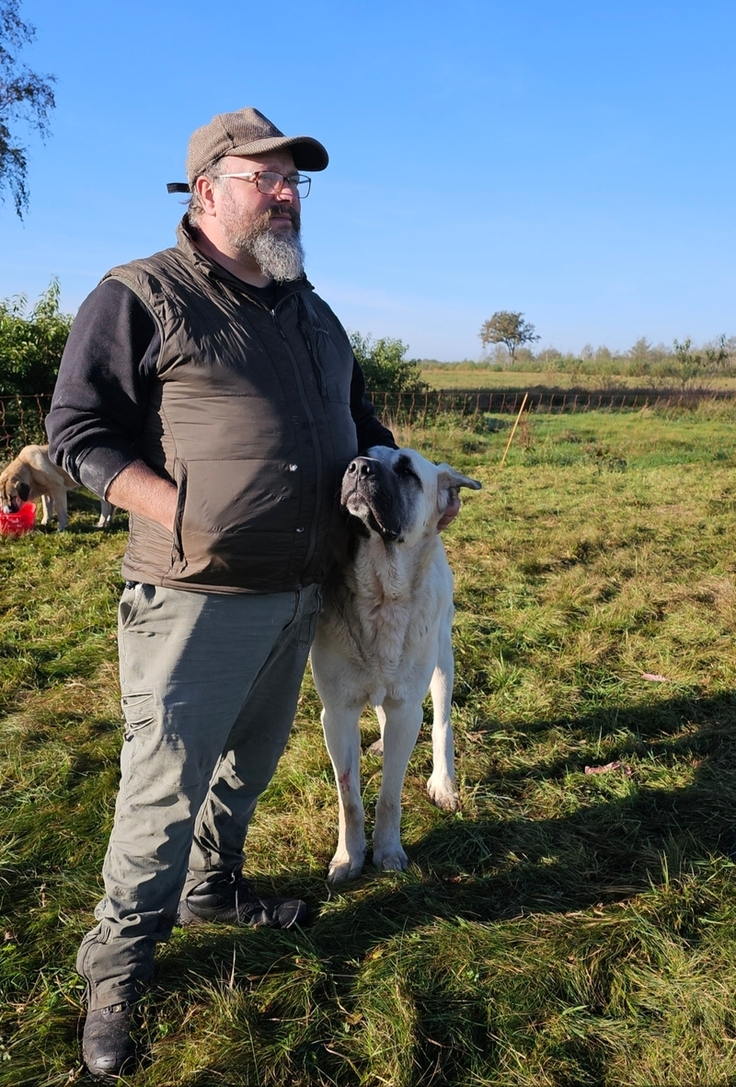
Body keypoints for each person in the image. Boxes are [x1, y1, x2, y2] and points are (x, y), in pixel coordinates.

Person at [46, 107, 459, 1078]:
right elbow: (75, 431)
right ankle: (117, 969)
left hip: (307, 590)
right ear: (205, 192)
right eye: (264, 177)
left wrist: (416, 488)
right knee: (163, 787)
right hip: (192, 595)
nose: (285, 195)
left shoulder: (311, 312)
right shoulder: (139, 294)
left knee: (249, 764)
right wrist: (171, 506)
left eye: (295, 182)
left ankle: (213, 889)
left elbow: (361, 422)